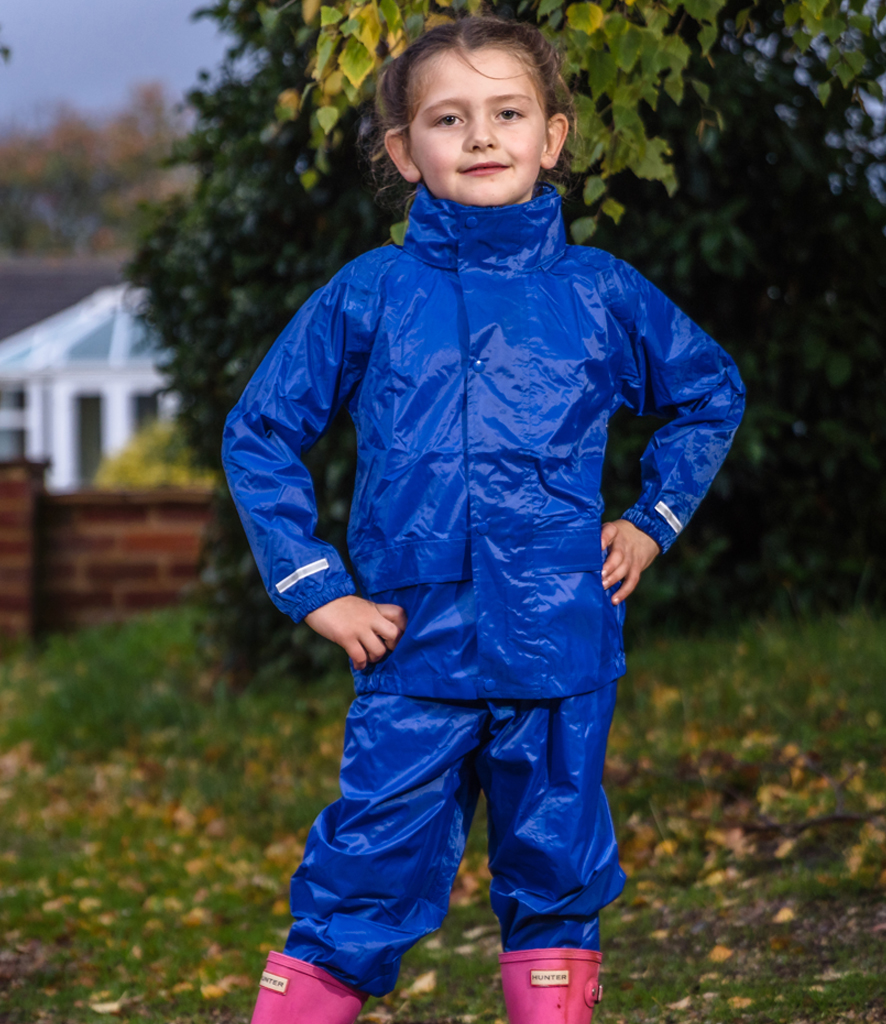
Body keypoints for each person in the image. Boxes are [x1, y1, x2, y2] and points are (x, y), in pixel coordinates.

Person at [222, 14, 745, 1024]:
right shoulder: (370, 294)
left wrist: (651, 519)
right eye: (448, 119)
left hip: (559, 642)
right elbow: (259, 431)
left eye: (507, 113)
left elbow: (709, 391)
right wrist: (315, 587)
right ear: (402, 152)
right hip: (412, 646)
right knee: (363, 866)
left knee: (556, 865)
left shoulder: (599, 291)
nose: (480, 137)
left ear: (552, 137)